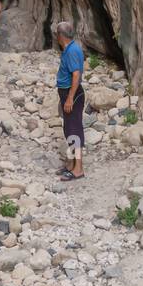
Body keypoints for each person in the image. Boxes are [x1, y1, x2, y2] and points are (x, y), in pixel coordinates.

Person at [55, 20, 85, 180]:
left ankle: (78, 169)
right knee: (69, 130)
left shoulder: (72, 51)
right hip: (67, 93)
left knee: (74, 131)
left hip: (72, 94)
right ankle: (71, 164)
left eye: (56, 34)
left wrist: (69, 99)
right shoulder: (69, 49)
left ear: (60, 36)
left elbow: (76, 75)